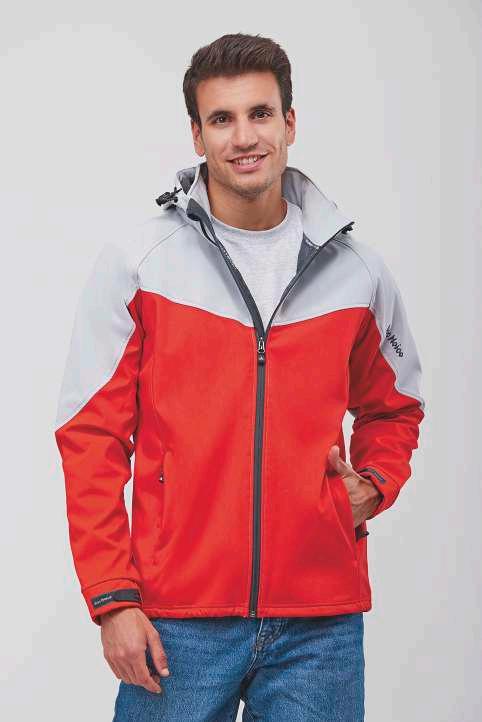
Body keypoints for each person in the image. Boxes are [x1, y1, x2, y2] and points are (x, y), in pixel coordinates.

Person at [54, 32, 426, 721]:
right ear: (197, 136)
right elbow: (91, 436)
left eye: (260, 113)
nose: (244, 136)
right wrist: (113, 597)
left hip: (319, 624)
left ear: (290, 123)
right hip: (176, 617)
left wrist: (375, 482)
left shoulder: (357, 272)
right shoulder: (143, 264)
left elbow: (396, 405)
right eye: (221, 119)